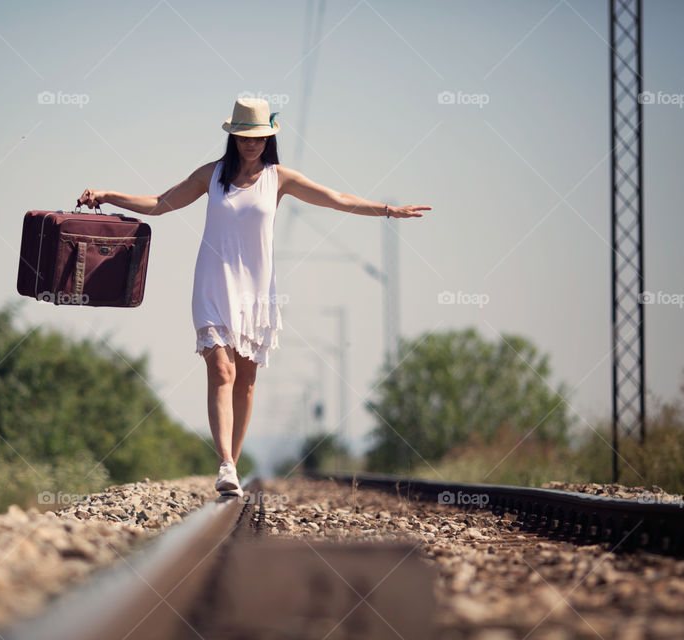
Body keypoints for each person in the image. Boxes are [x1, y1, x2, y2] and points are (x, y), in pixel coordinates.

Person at [78, 97, 430, 497]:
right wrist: (107, 195)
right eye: (244, 136)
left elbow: (337, 199)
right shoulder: (211, 175)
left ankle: (232, 460)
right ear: (233, 137)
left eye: (258, 137)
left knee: (245, 381)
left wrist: (388, 210)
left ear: (268, 139)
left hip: (256, 292)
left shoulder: (280, 178)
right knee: (221, 371)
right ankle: (226, 464)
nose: (251, 143)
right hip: (213, 284)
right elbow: (160, 204)